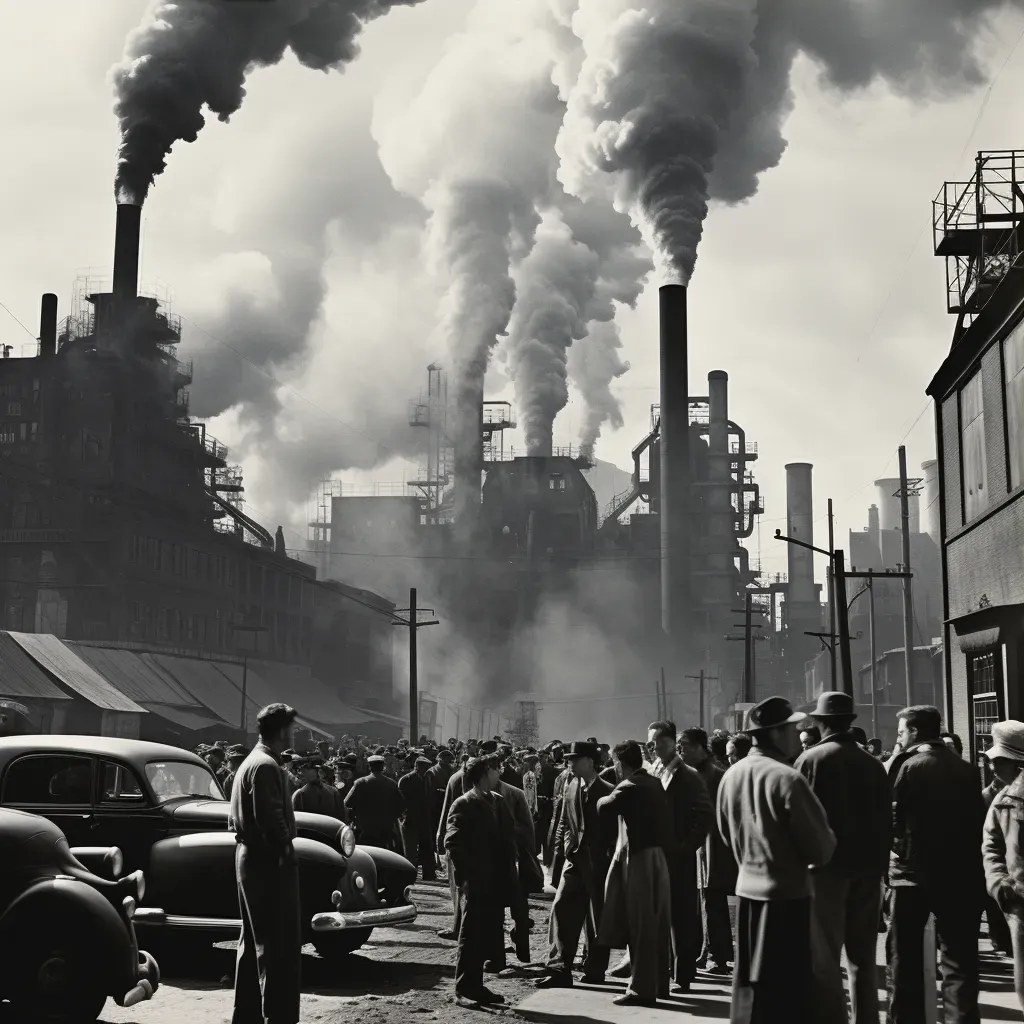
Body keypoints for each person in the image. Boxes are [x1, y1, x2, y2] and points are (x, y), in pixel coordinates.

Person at [717, 696, 836, 1024]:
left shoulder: (731, 775)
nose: (795, 733)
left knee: (749, 988)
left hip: (746, 893)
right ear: (776, 733)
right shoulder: (788, 778)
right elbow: (821, 848)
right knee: (788, 993)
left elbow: (727, 836)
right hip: (787, 898)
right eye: (790, 728)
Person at [794, 692, 891, 1024]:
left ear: (820, 723)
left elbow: (799, 820)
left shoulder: (809, 761)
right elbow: (884, 821)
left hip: (825, 872)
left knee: (824, 957)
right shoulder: (872, 763)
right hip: (867, 871)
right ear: (850, 722)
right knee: (862, 958)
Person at [887, 705, 984, 1024]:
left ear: (914, 731)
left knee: (907, 963)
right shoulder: (967, 770)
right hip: (960, 877)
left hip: (913, 876)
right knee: (959, 965)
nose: (898, 737)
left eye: (901, 731)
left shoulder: (909, 766)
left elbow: (895, 821)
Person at [228, 703, 303, 1024]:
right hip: (267, 860)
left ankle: (247, 1016)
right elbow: (271, 822)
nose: (295, 733)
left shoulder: (254, 761)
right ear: (282, 731)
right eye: (292, 727)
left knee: (253, 944)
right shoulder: (266, 766)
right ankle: (278, 1017)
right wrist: (286, 853)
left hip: (252, 858)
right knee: (277, 946)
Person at [597, 739, 674, 1006]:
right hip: (658, 859)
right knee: (657, 923)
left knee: (641, 924)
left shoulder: (629, 786)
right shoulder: (653, 782)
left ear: (620, 762)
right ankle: (660, 985)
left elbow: (603, 806)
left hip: (640, 858)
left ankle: (641, 989)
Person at [537, 741, 615, 989]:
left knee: (596, 919)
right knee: (561, 910)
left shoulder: (609, 791)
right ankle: (559, 969)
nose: (568, 764)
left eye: (574, 759)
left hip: (599, 864)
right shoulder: (571, 785)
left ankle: (595, 969)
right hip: (574, 861)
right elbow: (563, 823)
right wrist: (560, 855)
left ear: (589, 762)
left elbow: (615, 832)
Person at [444, 756, 519, 1007]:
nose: (500, 773)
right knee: (471, 934)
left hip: (497, 879)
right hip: (477, 880)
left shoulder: (497, 801)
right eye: (497, 769)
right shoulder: (464, 803)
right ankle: (463, 988)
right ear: (486, 771)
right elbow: (453, 843)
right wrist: (464, 878)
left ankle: (476, 986)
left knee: (488, 931)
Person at [647, 719, 713, 994]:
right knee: (661, 915)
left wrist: (684, 849)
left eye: (660, 742)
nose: (655, 748)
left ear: (673, 742)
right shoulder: (654, 770)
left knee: (682, 916)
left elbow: (704, 816)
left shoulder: (687, 775)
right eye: (651, 743)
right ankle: (666, 971)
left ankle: (683, 975)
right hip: (657, 856)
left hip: (678, 858)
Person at [680, 727, 737, 974]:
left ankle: (717, 955)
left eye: (684, 746)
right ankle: (706, 951)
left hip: (711, 846)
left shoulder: (715, 775)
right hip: (698, 847)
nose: (680, 751)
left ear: (699, 747)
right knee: (701, 901)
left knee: (711, 899)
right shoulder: (692, 773)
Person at [982, 721, 1024, 1010]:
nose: (992, 768)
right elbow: (991, 847)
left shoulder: (1005, 798)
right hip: (1019, 903)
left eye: (998, 761)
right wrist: (1000, 884)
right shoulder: (1001, 801)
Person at [436, 755, 469, 940]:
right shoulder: (462, 778)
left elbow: (446, 809)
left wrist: (440, 835)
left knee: (457, 886)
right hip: (459, 837)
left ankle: (459, 927)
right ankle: (460, 927)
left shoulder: (456, 777)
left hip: (456, 837)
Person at [344, 754, 405, 850]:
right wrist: (391, 818)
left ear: (369, 767)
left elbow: (347, 803)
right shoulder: (391, 783)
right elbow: (401, 805)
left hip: (365, 828)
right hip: (386, 829)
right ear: (382, 767)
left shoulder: (360, 782)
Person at [399, 756, 437, 881]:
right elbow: (400, 801)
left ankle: (429, 874)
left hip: (425, 819)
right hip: (410, 819)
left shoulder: (428, 779)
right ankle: (409, 875)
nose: (427, 770)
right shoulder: (406, 780)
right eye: (424, 768)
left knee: (427, 848)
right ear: (417, 767)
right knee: (410, 850)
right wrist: (403, 816)